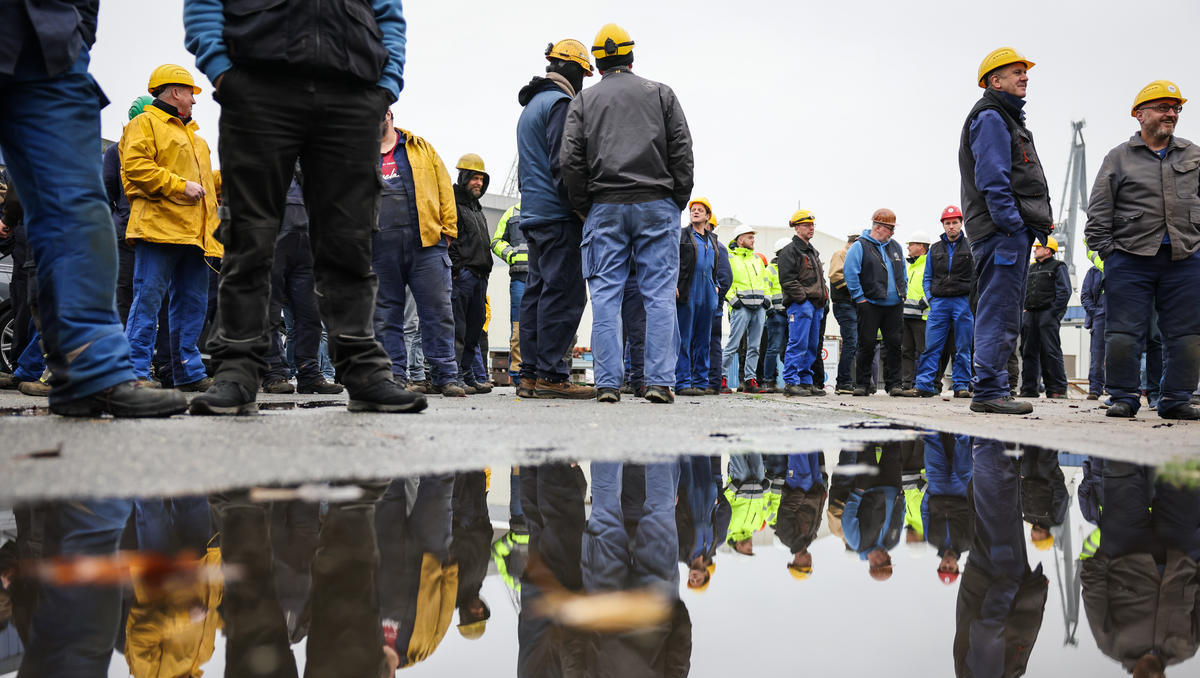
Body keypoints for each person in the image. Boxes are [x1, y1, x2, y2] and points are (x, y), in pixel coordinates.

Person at [184, 0, 424, 415]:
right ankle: (238, 370)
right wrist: (222, 68)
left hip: (351, 93)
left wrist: (385, 84)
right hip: (259, 85)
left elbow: (388, 12)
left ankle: (363, 372)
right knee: (249, 236)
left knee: (349, 240)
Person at [0, 3, 188, 417]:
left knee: (78, 210)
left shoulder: (190, 136)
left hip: (50, 51)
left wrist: (76, 33)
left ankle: (92, 374)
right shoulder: (146, 130)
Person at [560, 23, 694, 404]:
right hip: (656, 203)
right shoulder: (661, 94)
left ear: (598, 63)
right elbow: (682, 151)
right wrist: (674, 200)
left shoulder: (583, 102)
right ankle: (658, 382)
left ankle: (606, 384)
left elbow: (571, 160)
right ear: (631, 57)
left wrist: (586, 205)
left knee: (605, 296)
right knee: (659, 296)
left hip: (605, 206)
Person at [1085, 79, 1200, 420]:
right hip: (1130, 259)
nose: (1171, 114)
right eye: (1163, 108)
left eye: (1175, 109)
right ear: (1139, 114)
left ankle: (1176, 399)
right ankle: (1123, 397)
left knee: (1187, 335)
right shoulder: (1118, 158)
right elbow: (1099, 209)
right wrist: (1109, 252)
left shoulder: (1193, 154)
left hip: (1185, 259)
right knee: (1123, 333)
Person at [960, 47, 1054, 415]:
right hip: (1002, 232)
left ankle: (992, 388)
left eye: (1024, 72)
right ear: (994, 81)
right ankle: (989, 391)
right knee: (999, 312)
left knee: (1002, 310)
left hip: (1002, 231)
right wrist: (1013, 225)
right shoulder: (992, 117)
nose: (1025, 76)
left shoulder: (1006, 117)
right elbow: (993, 179)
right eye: (1016, 72)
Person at [120, 64, 221, 394]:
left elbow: (206, 186)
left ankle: (188, 372)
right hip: (158, 231)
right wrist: (180, 186)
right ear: (175, 91)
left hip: (195, 237)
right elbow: (136, 168)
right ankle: (134, 372)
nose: (195, 100)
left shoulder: (198, 141)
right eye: (191, 93)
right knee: (147, 302)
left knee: (193, 306)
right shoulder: (144, 124)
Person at [516, 40, 596, 400]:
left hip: (533, 215)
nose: (583, 82)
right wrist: (578, 208)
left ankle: (530, 374)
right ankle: (552, 374)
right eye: (582, 73)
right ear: (571, 69)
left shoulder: (532, 105)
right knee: (563, 293)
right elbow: (563, 163)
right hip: (557, 215)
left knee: (536, 294)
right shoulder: (560, 103)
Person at [372, 111, 463, 398]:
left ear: (388, 113)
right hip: (380, 247)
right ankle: (393, 375)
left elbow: (444, 188)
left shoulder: (420, 148)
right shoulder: (358, 153)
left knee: (437, 311)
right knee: (386, 314)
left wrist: (447, 231)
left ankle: (445, 376)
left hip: (425, 245)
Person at [261, 172, 343, 395]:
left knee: (311, 315)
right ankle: (274, 373)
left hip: (307, 245)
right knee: (269, 313)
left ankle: (309, 374)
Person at [904, 206, 974, 398]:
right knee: (931, 347)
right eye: (947, 223)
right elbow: (928, 277)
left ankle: (961, 386)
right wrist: (932, 298)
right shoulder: (935, 249)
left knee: (963, 347)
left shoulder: (971, 246)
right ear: (943, 225)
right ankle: (924, 385)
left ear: (961, 223)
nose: (951, 226)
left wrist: (971, 300)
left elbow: (977, 275)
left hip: (963, 301)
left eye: (954, 222)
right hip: (939, 303)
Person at [842, 209, 906, 396]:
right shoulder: (859, 246)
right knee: (867, 344)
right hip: (870, 303)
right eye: (890, 229)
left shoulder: (896, 246)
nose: (892, 233)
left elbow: (902, 269)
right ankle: (862, 384)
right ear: (878, 227)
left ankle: (894, 385)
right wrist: (859, 298)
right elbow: (850, 272)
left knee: (894, 345)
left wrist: (903, 293)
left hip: (894, 305)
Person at [449, 154, 494, 395]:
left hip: (480, 277)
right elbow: (449, 236)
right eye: (474, 178)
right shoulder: (452, 201)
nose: (478, 183)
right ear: (464, 177)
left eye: (481, 179)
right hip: (464, 276)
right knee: (458, 329)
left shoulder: (476, 206)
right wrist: (456, 269)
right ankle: (454, 375)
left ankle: (467, 375)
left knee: (474, 330)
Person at [778, 210, 828, 397]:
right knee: (798, 343)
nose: (811, 228)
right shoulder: (790, 251)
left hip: (815, 306)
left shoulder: (812, 251)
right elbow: (788, 280)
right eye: (807, 225)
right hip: (802, 305)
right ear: (797, 227)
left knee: (811, 345)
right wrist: (803, 299)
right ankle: (791, 381)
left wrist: (822, 299)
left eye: (812, 225)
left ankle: (806, 381)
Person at [675, 198, 719, 396]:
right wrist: (673, 284)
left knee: (704, 339)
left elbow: (714, 265)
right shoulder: (682, 235)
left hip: (708, 290)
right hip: (688, 289)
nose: (695, 212)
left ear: (707, 216)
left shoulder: (713, 239)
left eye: (700, 210)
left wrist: (716, 285)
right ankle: (682, 382)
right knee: (684, 338)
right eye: (693, 209)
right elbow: (673, 260)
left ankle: (701, 382)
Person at [1019, 236, 1071, 399]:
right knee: (1028, 351)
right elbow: (1023, 291)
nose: (1034, 249)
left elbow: (1065, 291)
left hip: (1047, 314)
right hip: (1031, 314)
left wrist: (1053, 312)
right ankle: (1029, 389)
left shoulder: (1058, 266)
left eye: (1038, 247)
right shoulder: (1031, 268)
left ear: (1048, 250)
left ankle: (1057, 389)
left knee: (1051, 351)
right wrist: (1025, 309)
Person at [721, 224, 768, 393]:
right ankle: (722, 378)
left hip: (759, 308)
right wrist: (734, 301)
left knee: (755, 347)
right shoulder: (730, 258)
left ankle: (750, 381)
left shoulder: (756, 259)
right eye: (750, 237)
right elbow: (725, 281)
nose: (753, 240)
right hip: (741, 308)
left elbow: (765, 281)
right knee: (733, 345)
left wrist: (766, 301)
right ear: (740, 239)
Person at [491, 202, 527, 382]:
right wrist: (511, 255)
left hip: (544, 276)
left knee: (543, 325)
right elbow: (496, 241)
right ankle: (518, 374)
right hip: (520, 277)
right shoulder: (511, 213)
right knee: (518, 327)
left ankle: (538, 373)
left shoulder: (546, 206)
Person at [828, 233, 860, 394]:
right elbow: (835, 276)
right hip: (844, 303)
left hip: (852, 305)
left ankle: (848, 381)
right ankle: (843, 381)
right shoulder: (841, 254)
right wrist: (857, 289)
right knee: (850, 342)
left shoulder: (855, 257)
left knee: (854, 343)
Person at [900, 231, 931, 390]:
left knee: (924, 350)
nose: (908, 248)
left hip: (922, 316)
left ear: (921, 246)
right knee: (906, 350)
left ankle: (925, 382)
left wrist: (925, 302)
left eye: (911, 245)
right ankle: (907, 382)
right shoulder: (910, 265)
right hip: (906, 315)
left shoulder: (929, 264)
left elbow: (934, 284)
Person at [761, 236, 790, 393]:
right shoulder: (771, 270)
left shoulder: (791, 269)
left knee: (788, 350)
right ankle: (769, 381)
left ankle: (791, 381)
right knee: (773, 348)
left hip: (789, 313)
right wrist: (770, 308)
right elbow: (766, 289)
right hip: (776, 315)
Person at [1080, 251, 1106, 399]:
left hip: (1119, 317)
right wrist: (1095, 313)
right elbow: (1085, 295)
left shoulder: (1120, 269)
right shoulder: (1093, 272)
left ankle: (1115, 389)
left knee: (1120, 353)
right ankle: (1095, 389)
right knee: (1097, 356)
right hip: (1100, 316)